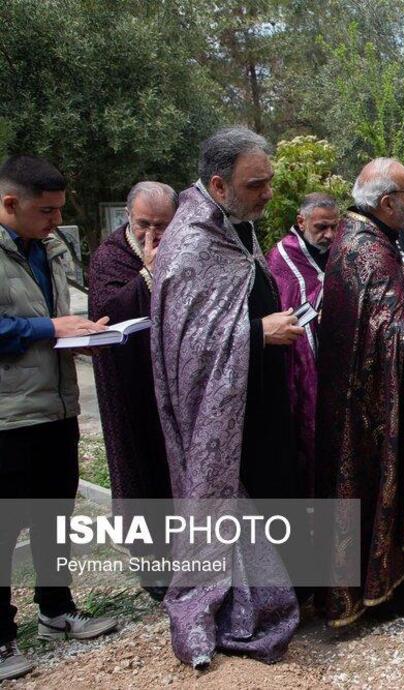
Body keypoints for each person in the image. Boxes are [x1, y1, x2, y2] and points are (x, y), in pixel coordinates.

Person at [151, 127, 301, 668]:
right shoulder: (191, 241)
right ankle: (241, 608)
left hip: (257, 393)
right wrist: (260, 332)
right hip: (223, 409)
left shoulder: (235, 227)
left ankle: (281, 593)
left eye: (268, 181)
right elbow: (187, 344)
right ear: (219, 184)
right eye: (256, 184)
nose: (267, 194)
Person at [315, 158, 404, 626]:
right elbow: (397, 334)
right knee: (375, 481)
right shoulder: (370, 250)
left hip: (355, 392)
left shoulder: (360, 236)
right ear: (386, 202)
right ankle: (387, 585)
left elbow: (374, 315)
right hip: (370, 404)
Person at [1, 155, 117, 682]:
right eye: (46, 211)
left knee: (54, 514)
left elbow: (57, 314)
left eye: (59, 210)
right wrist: (50, 328)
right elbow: (35, 324)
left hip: (57, 405)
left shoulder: (48, 247)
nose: (56, 221)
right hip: (8, 415)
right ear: (10, 203)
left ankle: (57, 610)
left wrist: (83, 332)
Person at [87, 181, 177, 596]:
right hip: (129, 383)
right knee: (140, 468)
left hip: (172, 379)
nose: (151, 234)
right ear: (128, 217)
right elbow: (106, 313)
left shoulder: (183, 248)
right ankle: (152, 565)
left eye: (162, 225)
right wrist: (147, 275)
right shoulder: (110, 256)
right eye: (144, 224)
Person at [265, 192, 341, 500]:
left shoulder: (339, 252)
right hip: (298, 360)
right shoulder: (280, 258)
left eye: (334, 227)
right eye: (321, 227)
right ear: (301, 221)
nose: (329, 235)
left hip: (337, 359)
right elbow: (283, 307)